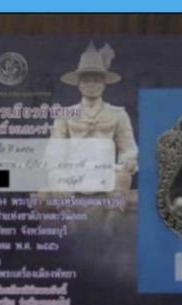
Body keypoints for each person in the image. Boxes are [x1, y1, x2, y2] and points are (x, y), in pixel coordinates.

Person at [52, 41, 138, 192]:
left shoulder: (118, 114)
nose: (91, 85)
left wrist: (129, 159)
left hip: (106, 171)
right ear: (78, 84)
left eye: (96, 80)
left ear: (104, 84)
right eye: (86, 81)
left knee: (123, 178)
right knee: (56, 179)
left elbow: (128, 146)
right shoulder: (65, 115)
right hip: (73, 172)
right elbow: (55, 147)